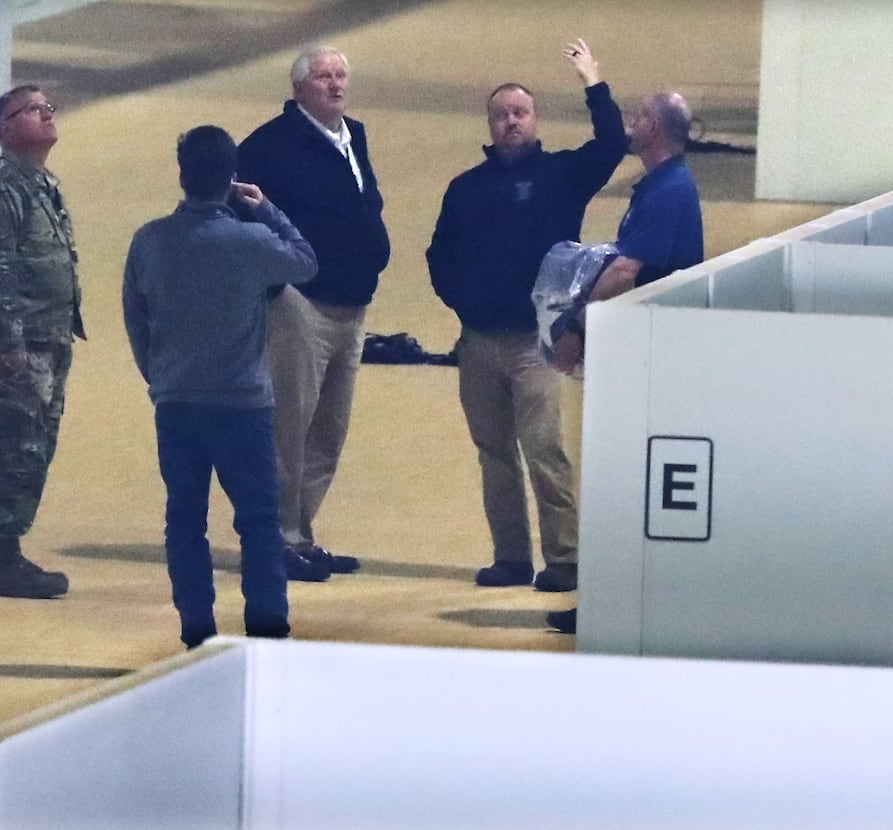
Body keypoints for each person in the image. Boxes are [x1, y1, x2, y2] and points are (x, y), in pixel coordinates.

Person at [426, 39, 626, 593]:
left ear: (535, 120)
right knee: (494, 454)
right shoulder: (464, 189)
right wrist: (463, 302)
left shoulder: (562, 176)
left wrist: (593, 81)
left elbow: (612, 143)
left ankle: (563, 558)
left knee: (544, 450)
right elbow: (439, 257)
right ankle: (510, 558)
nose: (510, 122)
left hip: (536, 343)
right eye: (500, 115)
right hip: (479, 341)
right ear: (489, 125)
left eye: (519, 113)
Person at [123, 126, 317, 649]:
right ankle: (268, 626)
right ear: (232, 178)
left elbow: (136, 320)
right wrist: (266, 208)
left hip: (177, 401)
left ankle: (196, 628)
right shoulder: (249, 240)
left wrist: (160, 375)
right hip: (242, 404)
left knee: (185, 519)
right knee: (258, 522)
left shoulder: (150, 240)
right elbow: (305, 260)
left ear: (182, 175)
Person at [547, 90, 705, 634]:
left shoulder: (666, 192)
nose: (630, 125)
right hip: (648, 356)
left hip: (644, 359)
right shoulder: (666, 187)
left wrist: (574, 326)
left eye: (637, 117)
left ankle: (612, 604)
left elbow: (625, 272)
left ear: (656, 129)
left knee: (614, 484)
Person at [237, 45, 390, 581]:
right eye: (323, 76)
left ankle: (301, 534)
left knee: (329, 430)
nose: (334, 84)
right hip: (300, 303)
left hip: (352, 303)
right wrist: (277, 282)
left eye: (340, 74)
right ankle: (272, 539)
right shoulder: (268, 146)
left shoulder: (354, 136)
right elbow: (243, 221)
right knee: (287, 428)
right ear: (299, 87)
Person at [0, 85, 80, 599]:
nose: (46, 115)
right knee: (15, 446)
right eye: (33, 110)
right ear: (6, 128)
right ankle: (3, 559)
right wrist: (10, 348)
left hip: (49, 340)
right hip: (21, 346)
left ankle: (10, 552)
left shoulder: (43, 183)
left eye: (48, 108)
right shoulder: (1, 185)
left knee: (36, 446)